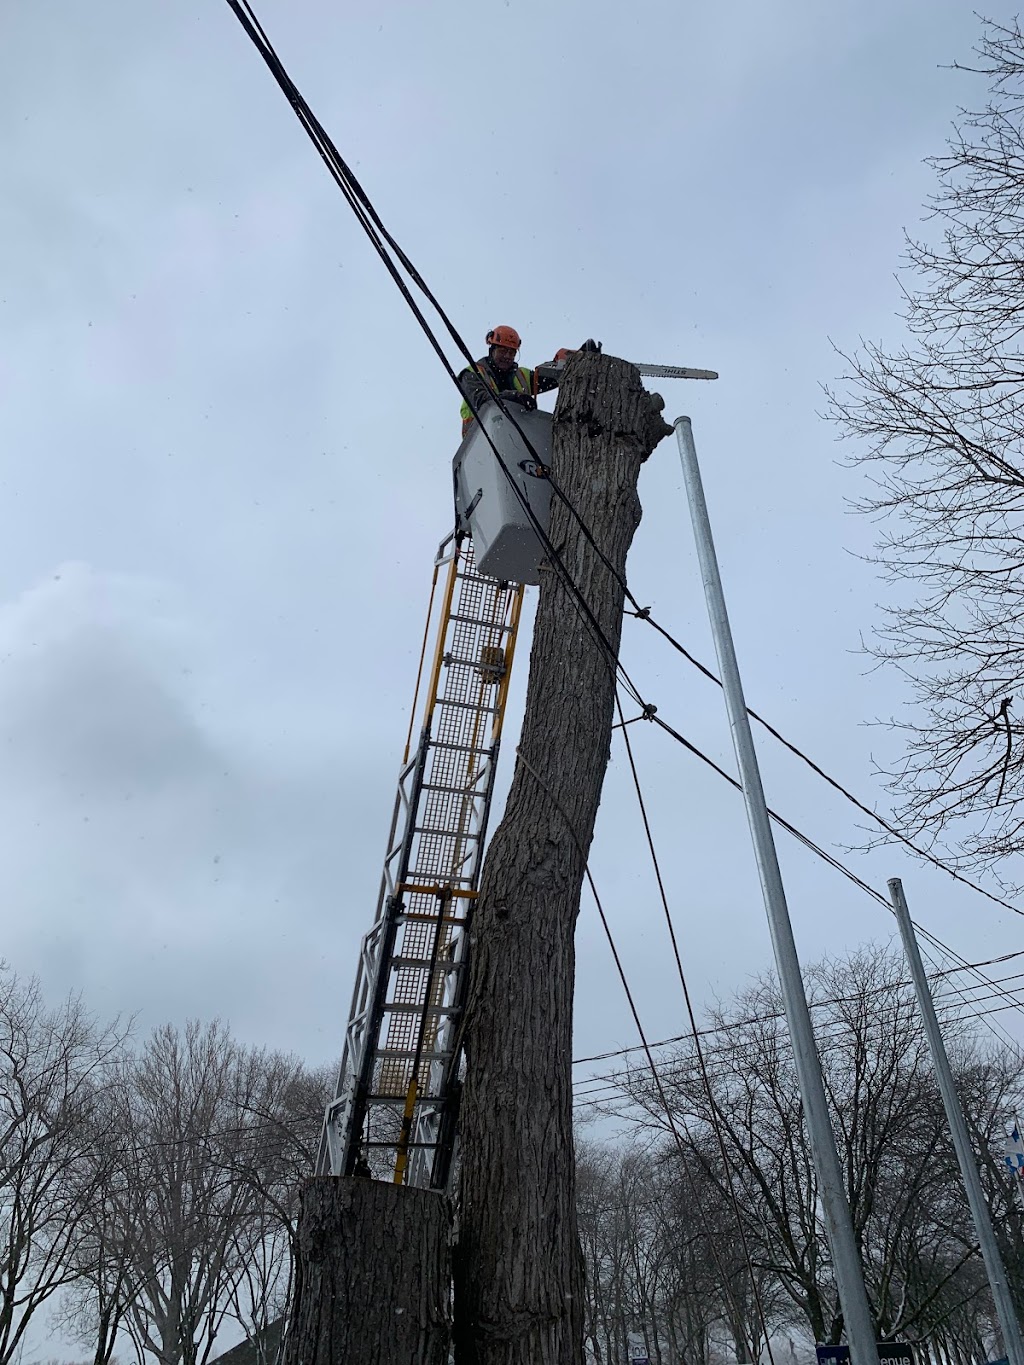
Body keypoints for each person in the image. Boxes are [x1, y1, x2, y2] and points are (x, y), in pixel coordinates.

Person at [457, 326, 597, 437]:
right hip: (479, 441)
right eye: (502, 351)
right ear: (492, 349)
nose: (507, 356)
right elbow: (482, 400)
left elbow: (550, 378)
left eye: (511, 353)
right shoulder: (472, 374)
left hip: (517, 438)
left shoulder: (521, 376)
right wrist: (513, 396)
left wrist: (578, 361)